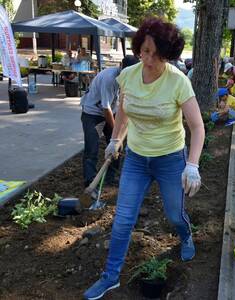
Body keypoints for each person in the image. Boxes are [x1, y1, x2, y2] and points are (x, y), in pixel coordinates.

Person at [83, 17, 205, 300]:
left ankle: (185, 236)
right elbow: (125, 110)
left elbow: (197, 127)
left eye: (156, 53)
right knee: (123, 219)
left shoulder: (178, 82)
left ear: (168, 53)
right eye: (144, 51)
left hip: (170, 158)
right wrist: (116, 139)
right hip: (137, 158)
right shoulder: (128, 75)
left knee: (175, 214)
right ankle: (110, 276)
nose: (148, 59)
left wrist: (193, 165)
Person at [80, 55, 140, 191]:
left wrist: (116, 138)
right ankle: (90, 182)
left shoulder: (131, 77)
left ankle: (110, 178)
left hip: (110, 112)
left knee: (117, 146)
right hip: (92, 114)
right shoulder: (109, 79)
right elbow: (105, 108)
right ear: (121, 66)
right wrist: (115, 133)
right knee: (92, 148)